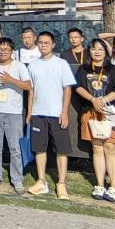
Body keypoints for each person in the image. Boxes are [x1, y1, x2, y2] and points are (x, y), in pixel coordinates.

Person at [74, 39, 115, 202]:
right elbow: (78, 86)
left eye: (100, 49)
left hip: (108, 112)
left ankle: (114, 187)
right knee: (96, 148)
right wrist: (92, 99)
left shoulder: (113, 70)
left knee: (110, 148)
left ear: (106, 52)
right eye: (93, 49)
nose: (96, 52)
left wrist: (103, 100)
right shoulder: (83, 69)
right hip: (90, 111)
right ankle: (100, 184)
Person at [25, 31, 76, 199]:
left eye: (46, 43)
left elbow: (67, 89)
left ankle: (61, 183)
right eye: (40, 42)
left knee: (62, 150)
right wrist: (29, 112)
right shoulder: (32, 65)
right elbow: (31, 91)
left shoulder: (61, 63)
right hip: (38, 113)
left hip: (56, 113)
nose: (43, 45)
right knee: (39, 149)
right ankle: (41, 181)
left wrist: (64, 112)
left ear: (53, 45)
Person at [0, 37, 32, 193]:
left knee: (15, 148)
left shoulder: (19, 66)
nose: (2, 51)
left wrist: (10, 80)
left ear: (12, 51)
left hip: (13, 113)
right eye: (0, 49)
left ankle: (17, 180)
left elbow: (28, 86)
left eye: (6, 49)